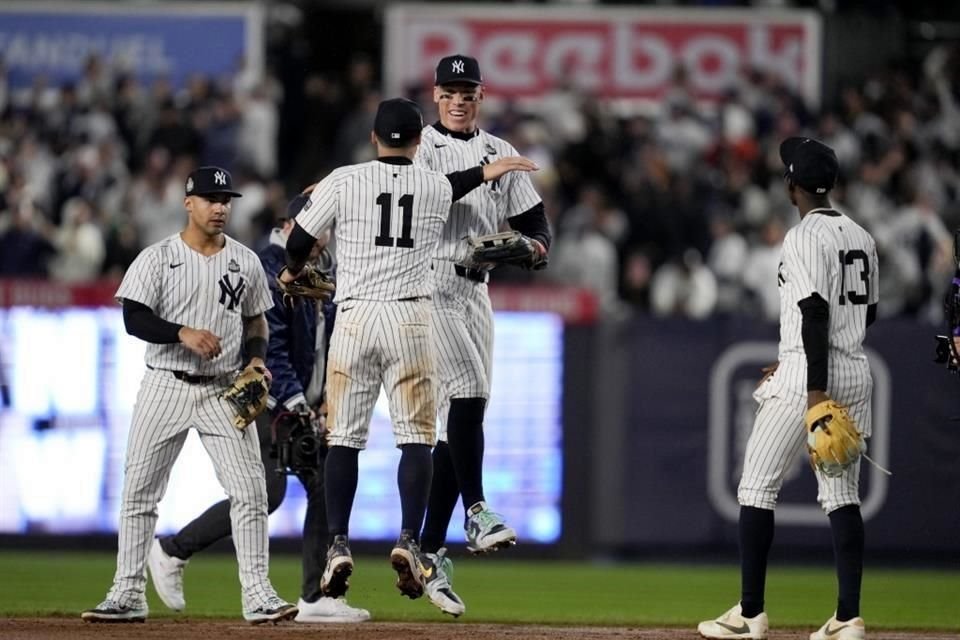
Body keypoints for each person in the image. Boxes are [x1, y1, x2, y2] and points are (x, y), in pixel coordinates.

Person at [279, 97, 537, 617]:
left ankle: (338, 543)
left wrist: (294, 270)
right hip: (411, 319)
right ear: (419, 143)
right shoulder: (432, 184)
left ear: (374, 137)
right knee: (417, 440)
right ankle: (408, 539)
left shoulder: (345, 178)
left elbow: (300, 241)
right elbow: (463, 182)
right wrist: (492, 168)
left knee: (345, 440)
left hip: (353, 318)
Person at [82, 166, 297, 624]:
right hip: (166, 384)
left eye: (226, 200)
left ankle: (258, 595)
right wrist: (181, 332)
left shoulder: (244, 260)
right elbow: (134, 319)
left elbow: (257, 321)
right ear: (188, 203)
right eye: (210, 199)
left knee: (251, 492)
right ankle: (126, 593)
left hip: (223, 388)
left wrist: (258, 358)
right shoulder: (157, 257)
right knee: (139, 494)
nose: (220, 207)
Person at [146, 187, 370, 624]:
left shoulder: (316, 267)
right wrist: (298, 405)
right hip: (265, 396)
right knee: (269, 490)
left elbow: (328, 344)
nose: (323, 238)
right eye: (317, 228)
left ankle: (313, 596)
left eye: (324, 229)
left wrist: (327, 401)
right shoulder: (271, 270)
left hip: (295, 399)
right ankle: (173, 550)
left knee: (316, 484)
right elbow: (275, 348)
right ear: (291, 227)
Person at [698, 137, 879, 640]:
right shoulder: (862, 235)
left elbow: (814, 311)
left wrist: (813, 385)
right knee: (842, 495)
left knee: (756, 486)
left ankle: (750, 613)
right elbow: (869, 313)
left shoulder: (802, 237)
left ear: (791, 185)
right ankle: (848, 617)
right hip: (854, 367)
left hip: (811, 376)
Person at [413, 54, 551, 613]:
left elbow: (535, 222)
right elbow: (424, 199)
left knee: (461, 421)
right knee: (466, 394)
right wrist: (482, 175)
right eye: (450, 90)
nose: (459, 99)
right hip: (432, 279)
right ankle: (476, 509)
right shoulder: (420, 146)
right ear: (436, 96)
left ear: (481, 95)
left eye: (467, 90)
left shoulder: (500, 149)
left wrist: (537, 249)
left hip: (476, 291)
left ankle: (426, 551)